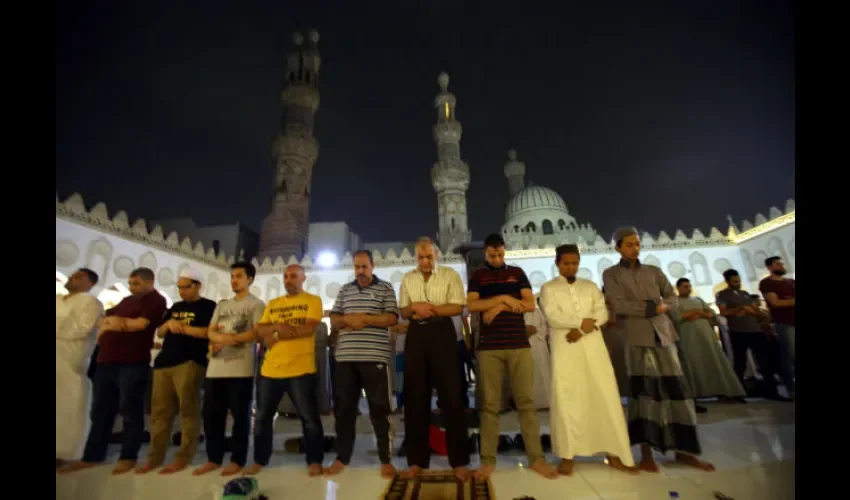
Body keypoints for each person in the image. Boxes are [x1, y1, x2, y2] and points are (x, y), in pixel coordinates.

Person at [602, 227, 714, 473]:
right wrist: (653, 308)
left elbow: (671, 297)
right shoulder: (611, 274)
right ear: (618, 247)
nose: (635, 248)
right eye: (629, 244)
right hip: (636, 337)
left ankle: (685, 451)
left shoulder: (653, 271)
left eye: (637, 244)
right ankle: (646, 453)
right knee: (643, 393)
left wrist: (661, 307)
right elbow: (619, 304)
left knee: (677, 391)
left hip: (663, 335)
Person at [59, 267, 167, 475]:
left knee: (129, 409)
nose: (131, 287)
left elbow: (140, 325)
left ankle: (128, 456)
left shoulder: (155, 300)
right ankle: (93, 455)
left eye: (136, 283)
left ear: (149, 283)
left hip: (132, 362)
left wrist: (118, 324)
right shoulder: (127, 301)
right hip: (107, 360)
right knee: (100, 410)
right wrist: (116, 324)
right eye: (130, 283)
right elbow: (105, 321)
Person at [467, 234, 556, 480]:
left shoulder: (517, 273)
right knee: (489, 406)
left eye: (501, 254)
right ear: (485, 253)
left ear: (504, 251)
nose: (497, 259)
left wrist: (496, 306)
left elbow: (529, 304)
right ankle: (487, 460)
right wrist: (506, 298)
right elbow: (472, 306)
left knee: (526, 404)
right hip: (489, 349)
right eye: (492, 255)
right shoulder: (478, 276)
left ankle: (536, 458)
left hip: (518, 345)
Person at [540, 244, 636, 476]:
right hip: (566, 347)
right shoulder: (548, 288)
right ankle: (567, 455)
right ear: (558, 263)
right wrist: (580, 323)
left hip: (593, 347)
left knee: (603, 395)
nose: (571, 267)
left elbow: (601, 313)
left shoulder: (590, 286)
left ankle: (614, 452)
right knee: (568, 397)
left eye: (574, 263)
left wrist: (581, 329)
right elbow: (553, 316)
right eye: (566, 263)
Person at [398, 237, 470, 481]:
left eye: (429, 256)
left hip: (442, 332)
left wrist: (431, 308)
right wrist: (415, 307)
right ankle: (417, 460)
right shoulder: (409, 278)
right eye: (421, 257)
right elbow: (404, 311)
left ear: (436, 255)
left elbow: (457, 307)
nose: (425, 261)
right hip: (417, 335)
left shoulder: (450, 275)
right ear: (416, 257)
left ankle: (459, 461)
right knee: (416, 397)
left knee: (452, 396)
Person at [324, 250, 399, 478]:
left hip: (374, 357)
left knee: (380, 409)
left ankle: (385, 459)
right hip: (345, 359)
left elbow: (391, 318)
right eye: (357, 267)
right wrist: (349, 319)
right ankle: (342, 457)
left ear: (372, 266)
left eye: (364, 267)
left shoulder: (385, 288)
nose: (360, 271)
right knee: (345, 410)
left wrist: (364, 318)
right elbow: (335, 318)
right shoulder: (346, 290)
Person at [246, 265, 325, 476]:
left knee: (309, 418)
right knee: (262, 418)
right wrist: (276, 329)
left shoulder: (312, 300)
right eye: (285, 276)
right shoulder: (274, 303)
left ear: (303, 278)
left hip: (301, 368)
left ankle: (315, 460)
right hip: (270, 370)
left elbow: (309, 328)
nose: (288, 280)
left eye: (293, 276)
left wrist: (276, 333)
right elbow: (259, 330)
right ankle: (260, 460)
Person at [136, 269, 217, 475]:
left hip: (190, 361)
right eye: (179, 287)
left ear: (198, 285)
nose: (182, 291)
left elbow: (209, 332)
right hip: (164, 363)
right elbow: (161, 331)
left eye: (186, 287)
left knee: (188, 412)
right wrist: (169, 325)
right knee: (160, 413)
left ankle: (184, 456)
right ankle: (155, 457)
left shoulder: (208, 306)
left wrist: (183, 328)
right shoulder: (176, 307)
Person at [193, 262, 266, 477]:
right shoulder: (222, 306)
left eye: (239, 276)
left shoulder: (256, 305)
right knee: (212, 416)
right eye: (232, 276)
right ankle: (213, 458)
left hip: (240, 370)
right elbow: (211, 331)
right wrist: (224, 339)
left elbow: (256, 333)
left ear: (250, 279)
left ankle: (237, 459)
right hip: (215, 369)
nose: (234, 280)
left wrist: (229, 339)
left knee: (240, 417)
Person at [56, 268, 103, 469]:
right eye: (73, 274)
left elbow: (84, 328)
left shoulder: (90, 302)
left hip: (71, 356)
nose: (72, 277)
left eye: (79, 276)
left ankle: (65, 451)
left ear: (90, 283)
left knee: (68, 403)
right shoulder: (59, 299)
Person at [716, 270, 788, 401]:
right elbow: (723, 311)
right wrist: (740, 310)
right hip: (739, 332)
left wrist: (758, 314)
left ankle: (771, 392)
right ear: (727, 281)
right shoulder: (722, 295)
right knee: (740, 363)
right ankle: (738, 393)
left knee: (764, 363)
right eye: (734, 281)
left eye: (738, 281)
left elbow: (754, 310)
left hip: (755, 330)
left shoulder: (745, 294)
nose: (737, 283)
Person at [672, 278, 746, 402]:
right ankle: (695, 394)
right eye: (685, 286)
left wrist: (698, 313)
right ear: (678, 288)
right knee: (692, 364)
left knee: (714, 361)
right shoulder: (674, 302)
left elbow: (711, 314)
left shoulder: (698, 300)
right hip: (688, 338)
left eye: (689, 286)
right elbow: (676, 317)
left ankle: (724, 392)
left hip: (706, 337)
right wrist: (693, 313)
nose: (688, 288)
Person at [759, 256, 795, 400]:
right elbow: (775, 303)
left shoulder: (790, 282)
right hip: (784, 323)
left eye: (781, 263)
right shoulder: (767, 283)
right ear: (769, 267)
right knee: (790, 355)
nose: (781, 265)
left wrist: (788, 301)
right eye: (777, 264)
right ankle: (791, 390)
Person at [523, 296, 551, 410]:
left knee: (543, 371)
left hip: (539, 346)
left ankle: (547, 401)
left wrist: (536, 331)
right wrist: (524, 332)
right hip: (526, 347)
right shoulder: (516, 314)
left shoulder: (537, 311)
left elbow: (545, 327)